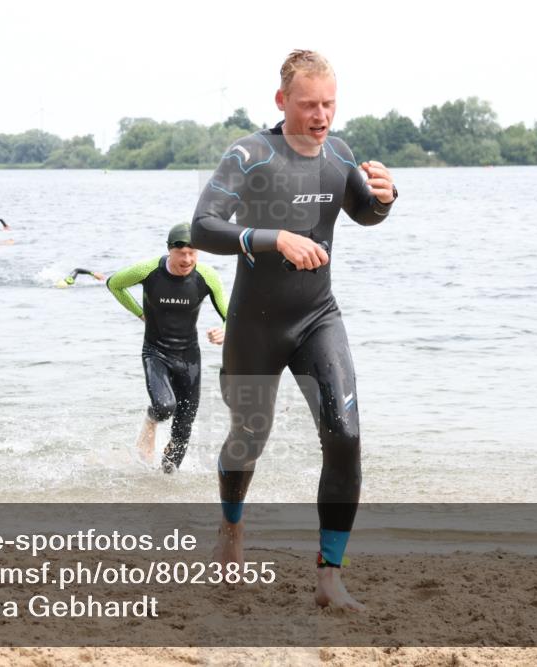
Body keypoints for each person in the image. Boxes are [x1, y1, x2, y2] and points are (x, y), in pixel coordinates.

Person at [191, 50, 398, 610]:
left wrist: (385, 198)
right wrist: (271, 237)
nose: (322, 115)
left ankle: (330, 576)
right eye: (309, 104)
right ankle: (231, 529)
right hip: (254, 325)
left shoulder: (339, 154)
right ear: (282, 101)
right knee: (248, 438)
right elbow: (202, 225)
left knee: (346, 435)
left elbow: (364, 213)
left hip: (316, 317)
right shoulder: (251, 155)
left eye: (330, 103)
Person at [107, 223, 228, 473]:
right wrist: (140, 313)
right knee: (164, 407)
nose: (187, 259)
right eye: (181, 253)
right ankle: (150, 422)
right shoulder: (149, 270)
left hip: (189, 357)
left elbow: (231, 315)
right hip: (156, 352)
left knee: (183, 428)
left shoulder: (207, 276)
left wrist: (227, 331)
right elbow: (114, 284)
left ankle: (165, 482)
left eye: (193, 253)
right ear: (169, 250)